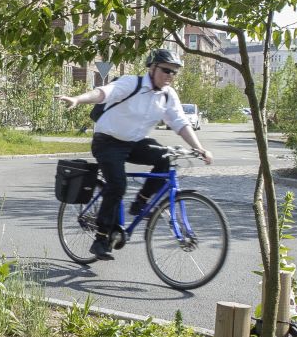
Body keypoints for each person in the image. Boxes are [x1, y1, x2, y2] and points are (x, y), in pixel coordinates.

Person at [58, 48, 213, 260]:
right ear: (152, 67)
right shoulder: (132, 83)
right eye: (166, 70)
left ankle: (140, 202)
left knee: (165, 157)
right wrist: (79, 99)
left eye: (174, 72)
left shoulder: (167, 95)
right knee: (117, 184)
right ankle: (102, 238)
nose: (170, 76)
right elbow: (104, 93)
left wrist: (199, 148)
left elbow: (180, 122)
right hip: (108, 142)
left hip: (135, 142)